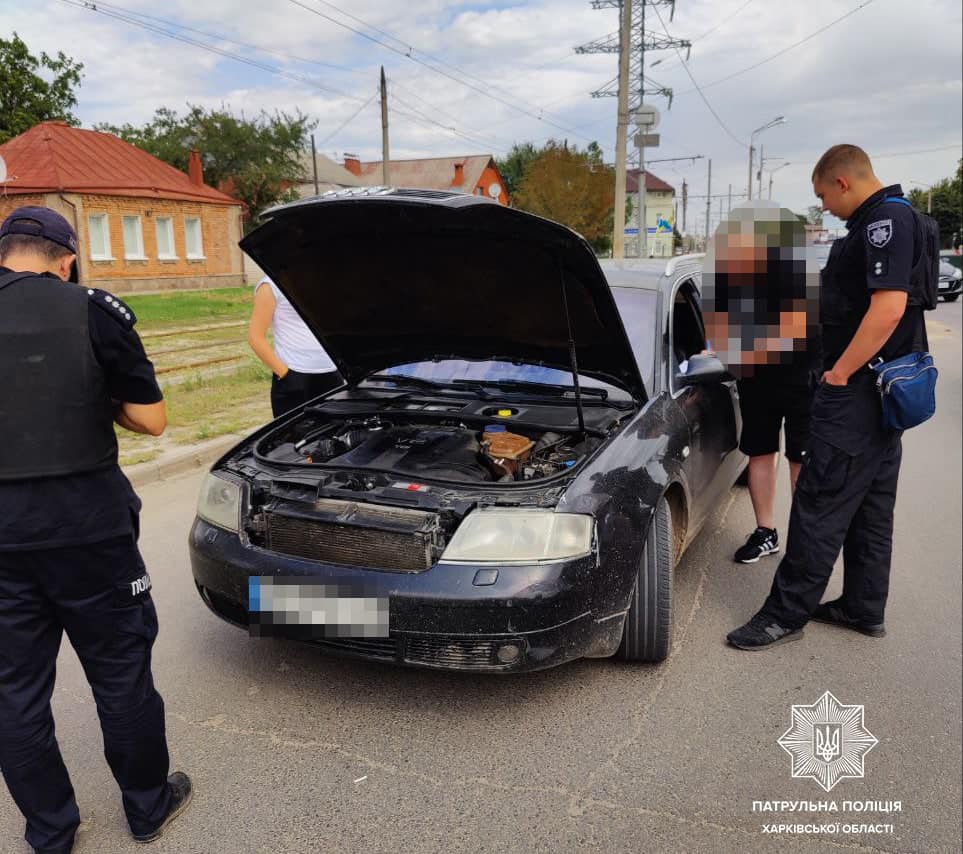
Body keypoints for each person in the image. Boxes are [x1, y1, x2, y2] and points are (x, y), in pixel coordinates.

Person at [0, 207, 192, 853]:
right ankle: (146, 808)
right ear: (66, 258)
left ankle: (51, 833)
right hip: (91, 533)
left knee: (14, 692)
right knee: (119, 673)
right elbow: (154, 419)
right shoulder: (93, 310)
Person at [727, 145, 927, 650]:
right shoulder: (891, 220)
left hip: (859, 391)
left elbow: (888, 308)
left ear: (842, 182)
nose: (824, 207)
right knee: (871, 507)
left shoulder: (884, 222)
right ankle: (863, 606)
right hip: (883, 393)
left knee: (819, 502)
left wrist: (839, 373)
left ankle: (782, 616)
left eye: (822, 196)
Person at [704, 205, 821, 564]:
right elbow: (719, 326)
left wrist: (745, 346)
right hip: (757, 382)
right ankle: (765, 532)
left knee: (800, 458)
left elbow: (794, 327)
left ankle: (805, 541)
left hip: (801, 378)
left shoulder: (795, 274)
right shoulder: (727, 278)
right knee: (759, 452)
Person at [248, 274, 342, 417]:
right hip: (295, 377)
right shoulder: (270, 286)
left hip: (333, 374)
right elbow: (255, 337)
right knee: (294, 437)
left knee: (335, 434)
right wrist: (285, 374)